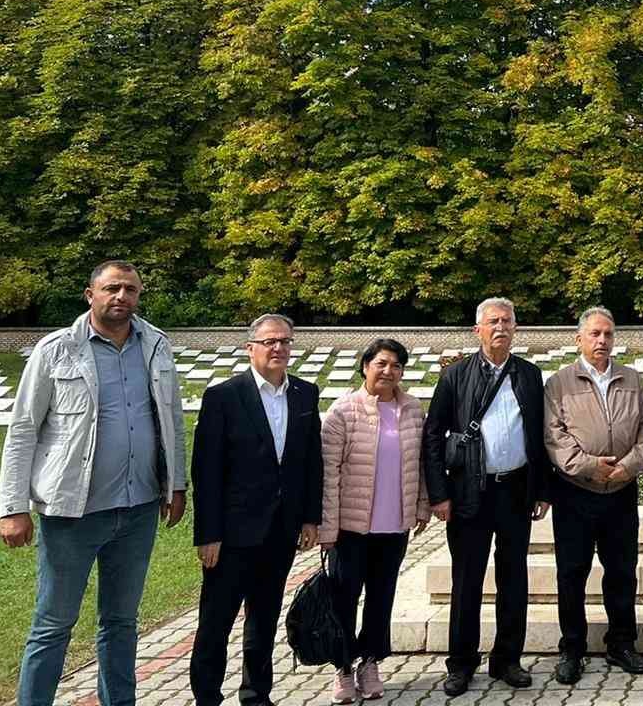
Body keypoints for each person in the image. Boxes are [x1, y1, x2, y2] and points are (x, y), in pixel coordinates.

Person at [0, 260, 188, 706]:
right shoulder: (56, 349)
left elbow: (171, 419)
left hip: (138, 507)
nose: (122, 297)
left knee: (121, 622)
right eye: (112, 289)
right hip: (72, 513)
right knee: (53, 624)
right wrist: (12, 506)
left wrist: (176, 484)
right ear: (91, 295)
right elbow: (24, 427)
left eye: (131, 290)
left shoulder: (156, 344)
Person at [422, 296, 553, 698]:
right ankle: (461, 663)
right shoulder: (455, 376)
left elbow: (540, 436)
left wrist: (542, 489)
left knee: (513, 578)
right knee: (467, 581)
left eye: (508, 321)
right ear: (477, 329)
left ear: (515, 328)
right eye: (493, 321)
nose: (501, 327)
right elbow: (432, 435)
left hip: (514, 490)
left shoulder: (529, 375)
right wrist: (438, 494)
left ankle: (507, 659)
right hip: (468, 493)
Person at [190, 312, 323, 706]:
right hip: (232, 534)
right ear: (251, 348)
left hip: (280, 532)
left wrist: (311, 517)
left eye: (285, 341)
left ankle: (256, 694)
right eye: (270, 342)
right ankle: (207, 697)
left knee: (263, 621)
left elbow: (310, 460)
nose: (279, 348)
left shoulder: (304, 393)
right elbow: (207, 471)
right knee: (216, 622)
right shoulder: (224, 397)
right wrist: (208, 534)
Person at [543, 307, 643, 684]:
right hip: (575, 494)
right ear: (579, 339)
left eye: (607, 334)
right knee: (572, 573)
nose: (602, 341)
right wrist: (591, 465)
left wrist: (628, 467)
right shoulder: (559, 383)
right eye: (594, 334)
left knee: (622, 573)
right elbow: (554, 438)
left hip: (621, 492)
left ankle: (621, 643)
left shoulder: (632, 380)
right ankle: (571, 648)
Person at [319, 337, 431, 702]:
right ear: (365, 366)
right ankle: (343, 668)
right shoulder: (343, 411)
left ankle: (370, 663)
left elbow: (421, 464)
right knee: (345, 598)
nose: (388, 371)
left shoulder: (413, 409)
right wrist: (327, 526)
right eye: (381, 363)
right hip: (351, 527)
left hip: (393, 524)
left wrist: (421, 506)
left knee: (382, 597)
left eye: (396, 366)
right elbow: (328, 472)